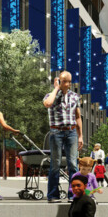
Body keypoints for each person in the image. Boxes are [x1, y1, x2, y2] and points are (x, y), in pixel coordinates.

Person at [42, 72, 82, 204]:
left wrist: (80, 135)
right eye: (65, 81)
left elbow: (77, 116)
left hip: (71, 132)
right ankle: (53, 195)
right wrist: (56, 89)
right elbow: (48, 104)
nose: (68, 84)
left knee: (73, 164)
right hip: (56, 132)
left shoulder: (75, 96)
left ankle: (73, 194)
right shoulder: (50, 95)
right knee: (55, 164)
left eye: (69, 81)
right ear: (59, 81)